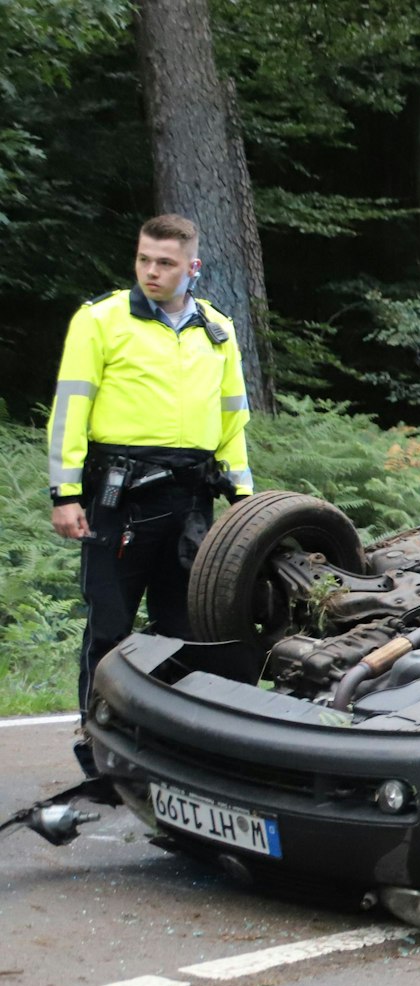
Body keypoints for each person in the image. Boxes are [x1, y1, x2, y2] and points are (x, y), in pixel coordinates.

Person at [47, 213, 254, 776]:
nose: (151, 271)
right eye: (144, 259)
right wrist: (65, 494)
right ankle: (99, 750)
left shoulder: (217, 329)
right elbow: (70, 410)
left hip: (192, 502)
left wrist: (243, 498)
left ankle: (175, 749)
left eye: (165, 262)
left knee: (186, 630)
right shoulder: (101, 319)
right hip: (120, 499)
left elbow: (233, 419)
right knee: (111, 628)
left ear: (193, 267)